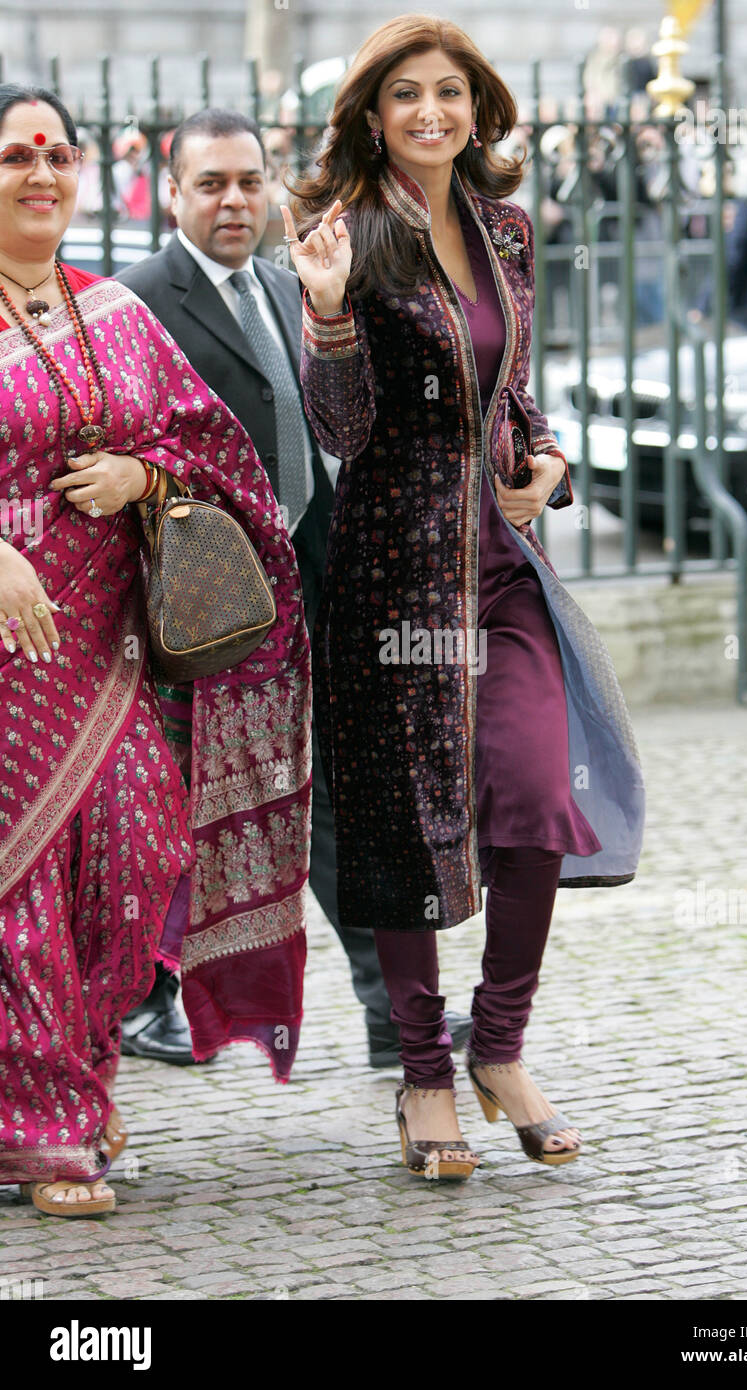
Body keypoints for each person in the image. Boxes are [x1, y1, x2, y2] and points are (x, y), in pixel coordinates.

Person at [282, 16, 645, 1181]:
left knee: (535, 797)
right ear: (372, 116)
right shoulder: (346, 234)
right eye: (405, 96)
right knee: (405, 824)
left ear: (475, 107)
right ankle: (423, 1076)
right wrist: (329, 310)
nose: (430, 113)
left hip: (497, 562)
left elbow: (511, 390)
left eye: (449, 93)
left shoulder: (503, 228)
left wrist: (545, 460)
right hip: (392, 568)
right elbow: (338, 431)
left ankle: (497, 1046)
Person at [0, 85, 312, 1216]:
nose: (40, 174)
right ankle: (44, 1122)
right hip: (3, 660)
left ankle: (74, 1076)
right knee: (20, 888)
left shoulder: (112, 314)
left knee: (133, 865)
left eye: (58, 155)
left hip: (106, 652)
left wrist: (147, 476)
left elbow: (215, 453)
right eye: (15, 157)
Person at [116, 108, 471, 1069]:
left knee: (338, 805)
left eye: (248, 180)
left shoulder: (288, 285)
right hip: (202, 611)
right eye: (210, 184)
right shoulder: (134, 302)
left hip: (309, 595)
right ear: (173, 192)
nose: (234, 200)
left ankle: (393, 1021)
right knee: (179, 813)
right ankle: (143, 1001)